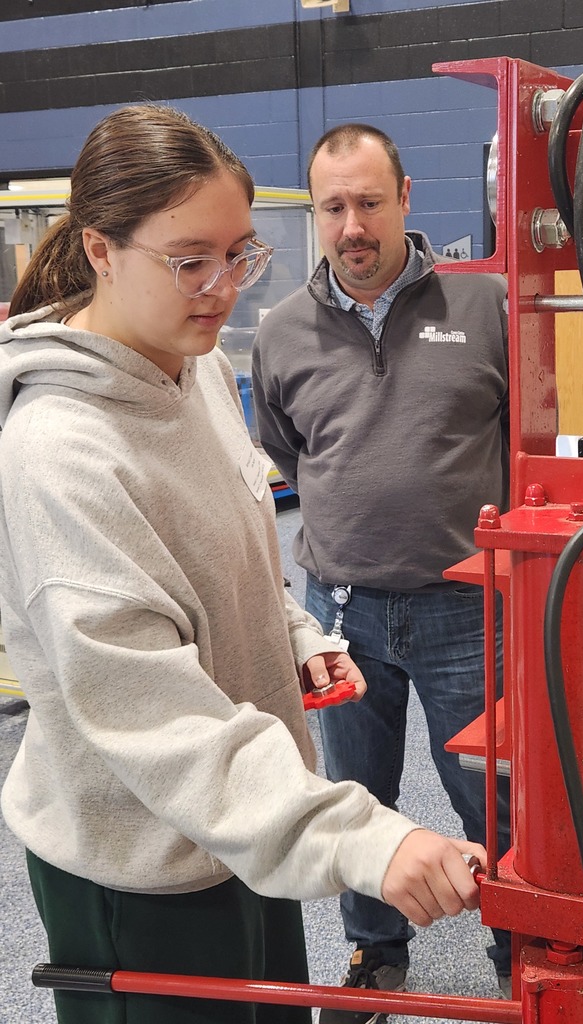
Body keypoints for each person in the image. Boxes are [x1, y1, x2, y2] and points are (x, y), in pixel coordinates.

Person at [0, 105, 486, 1024]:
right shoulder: (60, 453)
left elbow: (234, 554)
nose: (223, 286)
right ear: (101, 250)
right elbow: (156, 718)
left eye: (241, 253)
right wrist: (361, 836)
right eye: (190, 259)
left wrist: (292, 632)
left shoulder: (200, 371)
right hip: (145, 869)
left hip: (246, 831)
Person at [251, 123, 512, 1023]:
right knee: (355, 797)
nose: (353, 224)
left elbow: (528, 445)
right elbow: (285, 452)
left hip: (467, 609)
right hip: (341, 611)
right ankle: (374, 951)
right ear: (316, 215)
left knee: (494, 790)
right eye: (334, 207)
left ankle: (521, 944)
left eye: (369, 201)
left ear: (407, 197)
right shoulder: (282, 332)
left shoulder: (487, 306)